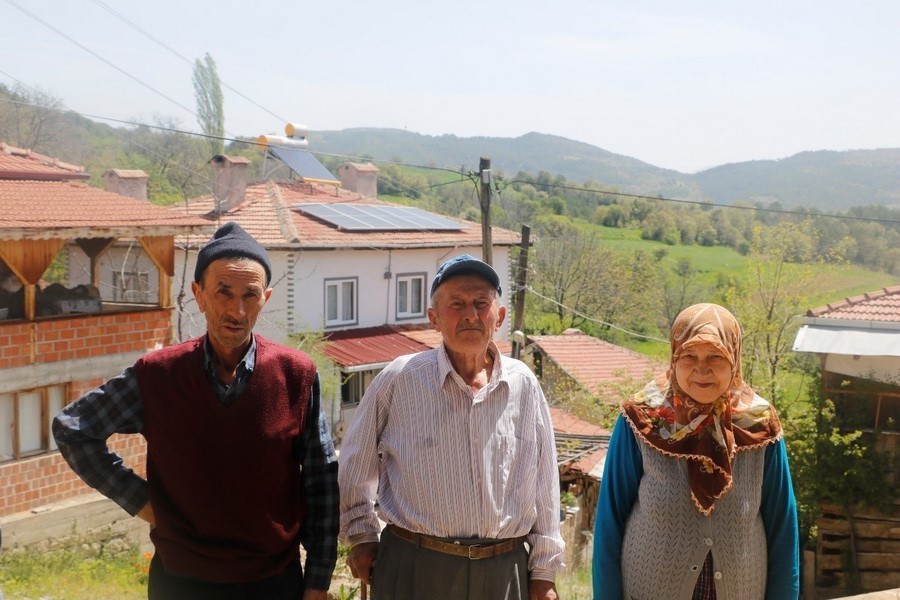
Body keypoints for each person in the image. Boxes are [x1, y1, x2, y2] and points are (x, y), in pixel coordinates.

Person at [53, 222, 339, 600]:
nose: (237, 310)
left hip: (272, 582)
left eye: (249, 295)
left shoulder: (295, 375)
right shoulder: (158, 375)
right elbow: (73, 428)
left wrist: (318, 581)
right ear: (198, 295)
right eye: (223, 292)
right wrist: (140, 501)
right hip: (181, 582)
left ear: (265, 298)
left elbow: (320, 480)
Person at [339, 254, 565, 600]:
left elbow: (544, 482)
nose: (471, 315)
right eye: (456, 304)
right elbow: (355, 462)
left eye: (480, 303)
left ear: (500, 316)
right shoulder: (400, 378)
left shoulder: (524, 384)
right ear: (434, 318)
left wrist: (544, 570)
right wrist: (362, 534)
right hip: (414, 566)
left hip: (503, 570)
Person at [592, 303, 799, 600]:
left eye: (716, 356)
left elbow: (783, 528)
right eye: (689, 355)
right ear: (675, 357)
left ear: (734, 360)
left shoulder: (760, 425)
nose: (702, 368)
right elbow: (609, 521)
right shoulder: (641, 419)